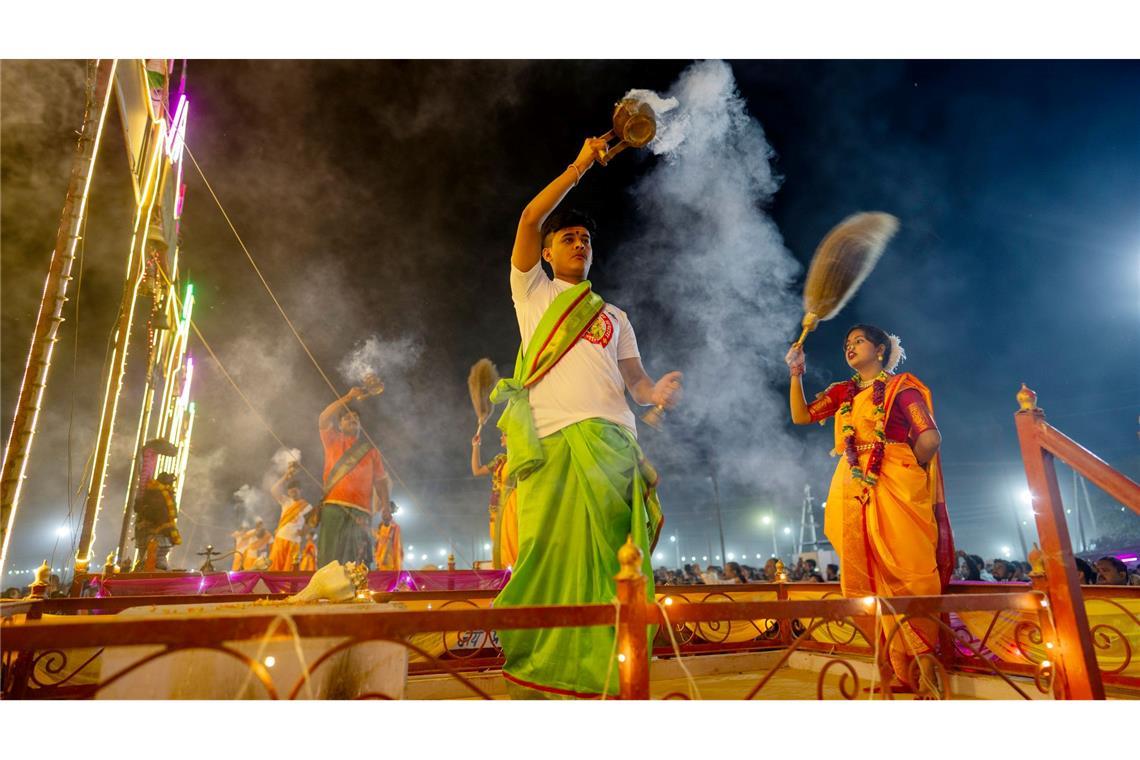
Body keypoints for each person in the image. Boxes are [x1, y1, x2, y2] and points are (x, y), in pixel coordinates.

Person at [491, 137, 683, 699]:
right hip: (553, 445)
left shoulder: (615, 316)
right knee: (547, 560)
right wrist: (579, 165)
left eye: (585, 239)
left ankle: (613, 671)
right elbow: (530, 217)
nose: (579, 243)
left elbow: (637, 382)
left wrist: (656, 394)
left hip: (615, 445)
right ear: (548, 254)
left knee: (618, 566)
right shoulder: (533, 293)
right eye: (568, 238)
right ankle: (547, 672)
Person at [786, 324, 954, 693]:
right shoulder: (844, 392)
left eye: (858, 341)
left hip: (892, 475)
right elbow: (802, 416)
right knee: (864, 576)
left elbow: (929, 437)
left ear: (880, 350)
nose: (850, 346)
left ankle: (924, 663)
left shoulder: (902, 388)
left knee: (911, 569)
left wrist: (909, 466)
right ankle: (889, 667)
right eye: (847, 343)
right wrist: (796, 373)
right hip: (851, 483)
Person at [317, 387, 390, 567]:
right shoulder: (333, 440)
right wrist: (348, 397)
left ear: (360, 425)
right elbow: (323, 418)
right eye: (347, 417)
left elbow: (381, 482)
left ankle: (357, 594)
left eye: (356, 418)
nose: (352, 419)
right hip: (334, 507)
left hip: (362, 512)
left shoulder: (371, 451)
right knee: (330, 557)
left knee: (358, 559)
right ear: (339, 424)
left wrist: (386, 506)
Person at [471, 431, 518, 569]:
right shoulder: (500, 460)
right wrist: (475, 446)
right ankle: (504, 574)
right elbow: (477, 470)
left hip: (512, 504)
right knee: (499, 542)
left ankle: (515, 572)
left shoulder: (521, 458)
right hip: (497, 507)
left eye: (505, 434)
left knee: (512, 538)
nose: (501, 437)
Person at [268, 462, 313, 572]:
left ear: (300, 490)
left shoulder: (307, 506)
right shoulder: (285, 501)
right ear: (288, 492)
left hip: (294, 542)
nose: (293, 491)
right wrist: (285, 476)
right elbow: (273, 490)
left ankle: (286, 590)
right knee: (274, 568)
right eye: (290, 489)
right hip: (280, 539)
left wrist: (304, 532)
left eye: (295, 489)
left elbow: (311, 523)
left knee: (289, 570)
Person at [131, 472, 181, 571]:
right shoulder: (159, 493)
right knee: (154, 561)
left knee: (153, 560)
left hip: (156, 534)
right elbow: (166, 514)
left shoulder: (159, 492)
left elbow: (167, 514)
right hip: (155, 534)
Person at [374, 500, 402, 571]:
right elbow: (379, 542)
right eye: (382, 511)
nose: (383, 514)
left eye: (385, 512)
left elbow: (391, 543)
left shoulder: (394, 527)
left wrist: (384, 558)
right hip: (379, 560)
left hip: (387, 560)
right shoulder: (380, 526)